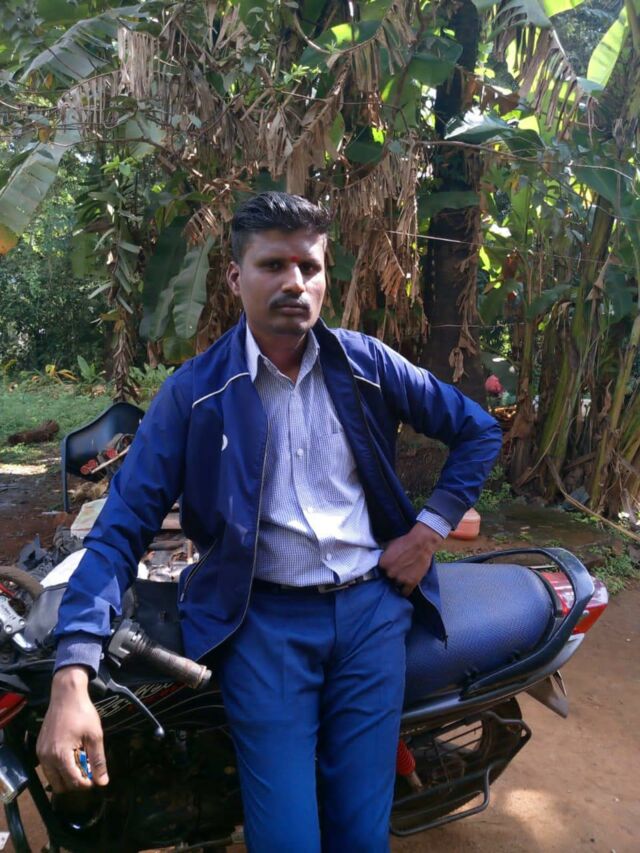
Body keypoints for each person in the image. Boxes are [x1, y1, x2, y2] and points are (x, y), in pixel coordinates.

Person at [37, 192, 502, 852]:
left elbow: (477, 429)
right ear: (236, 277)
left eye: (309, 267)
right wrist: (72, 670)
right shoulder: (195, 394)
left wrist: (427, 532)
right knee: (286, 838)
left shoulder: (366, 365)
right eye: (273, 265)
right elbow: (119, 531)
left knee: (361, 835)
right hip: (261, 623)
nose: (295, 282)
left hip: (371, 616)